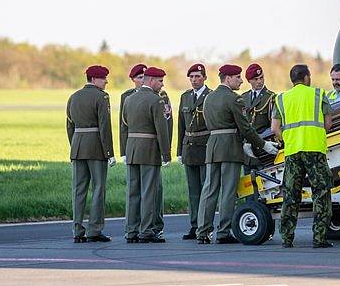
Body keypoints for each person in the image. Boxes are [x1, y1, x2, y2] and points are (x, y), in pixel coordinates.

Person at [196, 64, 279, 244]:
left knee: (209, 189)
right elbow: (246, 128)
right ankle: (223, 232)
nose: (241, 81)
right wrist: (263, 144)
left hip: (213, 147)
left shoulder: (208, 98)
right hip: (230, 148)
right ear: (228, 78)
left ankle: (202, 231)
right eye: (238, 77)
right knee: (228, 191)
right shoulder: (235, 99)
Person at [272, 64, 334, 249]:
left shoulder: (281, 98)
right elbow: (328, 123)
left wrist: (289, 138)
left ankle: (287, 238)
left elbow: (275, 128)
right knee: (321, 193)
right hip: (315, 149)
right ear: (307, 77)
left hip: (292, 151)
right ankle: (319, 238)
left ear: (292, 79)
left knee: (291, 195)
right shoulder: (319, 95)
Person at [119, 63, 170, 240]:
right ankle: (146, 230)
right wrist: (166, 154)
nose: (162, 85)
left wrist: (124, 149)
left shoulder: (129, 99)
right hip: (149, 150)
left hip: (132, 148)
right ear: (151, 80)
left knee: (132, 192)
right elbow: (161, 130)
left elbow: (124, 125)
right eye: (160, 81)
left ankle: (131, 230)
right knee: (148, 191)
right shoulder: (156, 100)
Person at [66, 65, 115, 243]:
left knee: (78, 190)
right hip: (96, 147)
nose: (106, 81)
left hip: (78, 147)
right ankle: (95, 229)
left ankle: (77, 230)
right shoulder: (102, 97)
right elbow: (104, 126)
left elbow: (69, 126)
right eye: (103, 78)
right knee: (98, 189)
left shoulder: (73, 97)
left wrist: (75, 145)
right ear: (94, 79)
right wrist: (109, 151)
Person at [176, 63, 212, 240]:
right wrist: (179, 151)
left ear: (205, 77)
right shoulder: (185, 97)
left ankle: (206, 225)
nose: (194, 80)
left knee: (207, 188)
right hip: (189, 147)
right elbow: (181, 125)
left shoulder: (210, 96)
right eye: (191, 77)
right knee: (193, 190)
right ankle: (194, 225)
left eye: (197, 76)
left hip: (205, 146)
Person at [240, 63, 276, 170]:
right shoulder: (243, 98)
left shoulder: (270, 97)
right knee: (248, 182)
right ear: (249, 81)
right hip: (247, 148)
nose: (260, 81)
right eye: (256, 79)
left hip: (264, 147)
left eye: (261, 77)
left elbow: (273, 126)